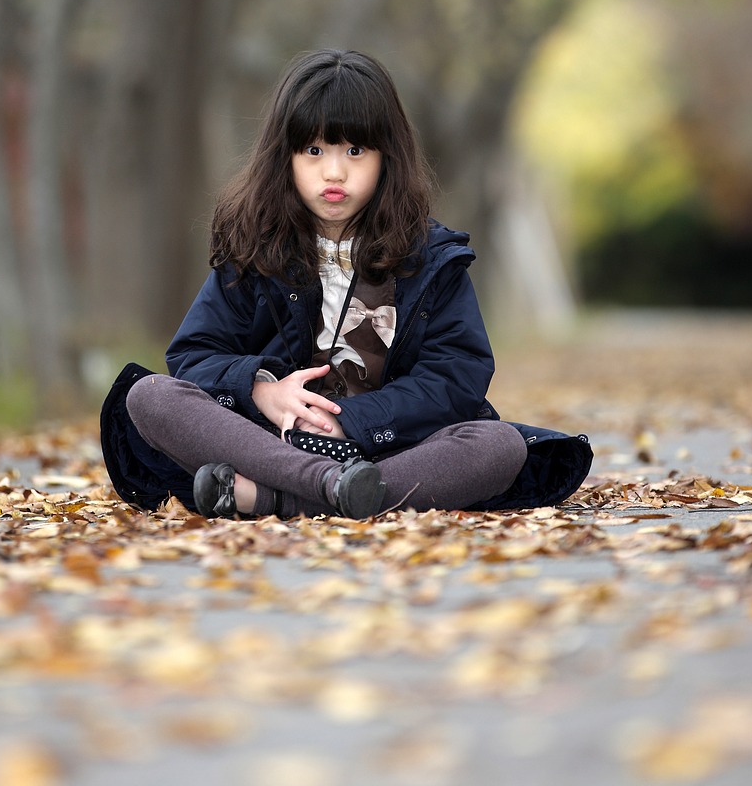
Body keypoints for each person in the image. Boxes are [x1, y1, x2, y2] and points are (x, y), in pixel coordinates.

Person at [119, 48, 531, 521]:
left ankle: (279, 499)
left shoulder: (431, 259)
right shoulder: (255, 246)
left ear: (386, 158)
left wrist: (349, 422)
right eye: (314, 151)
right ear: (285, 156)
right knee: (149, 394)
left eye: (355, 151)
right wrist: (262, 392)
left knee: (499, 444)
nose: (334, 172)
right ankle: (327, 487)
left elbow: (457, 376)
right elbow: (193, 356)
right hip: (268, 444)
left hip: (390, 450)